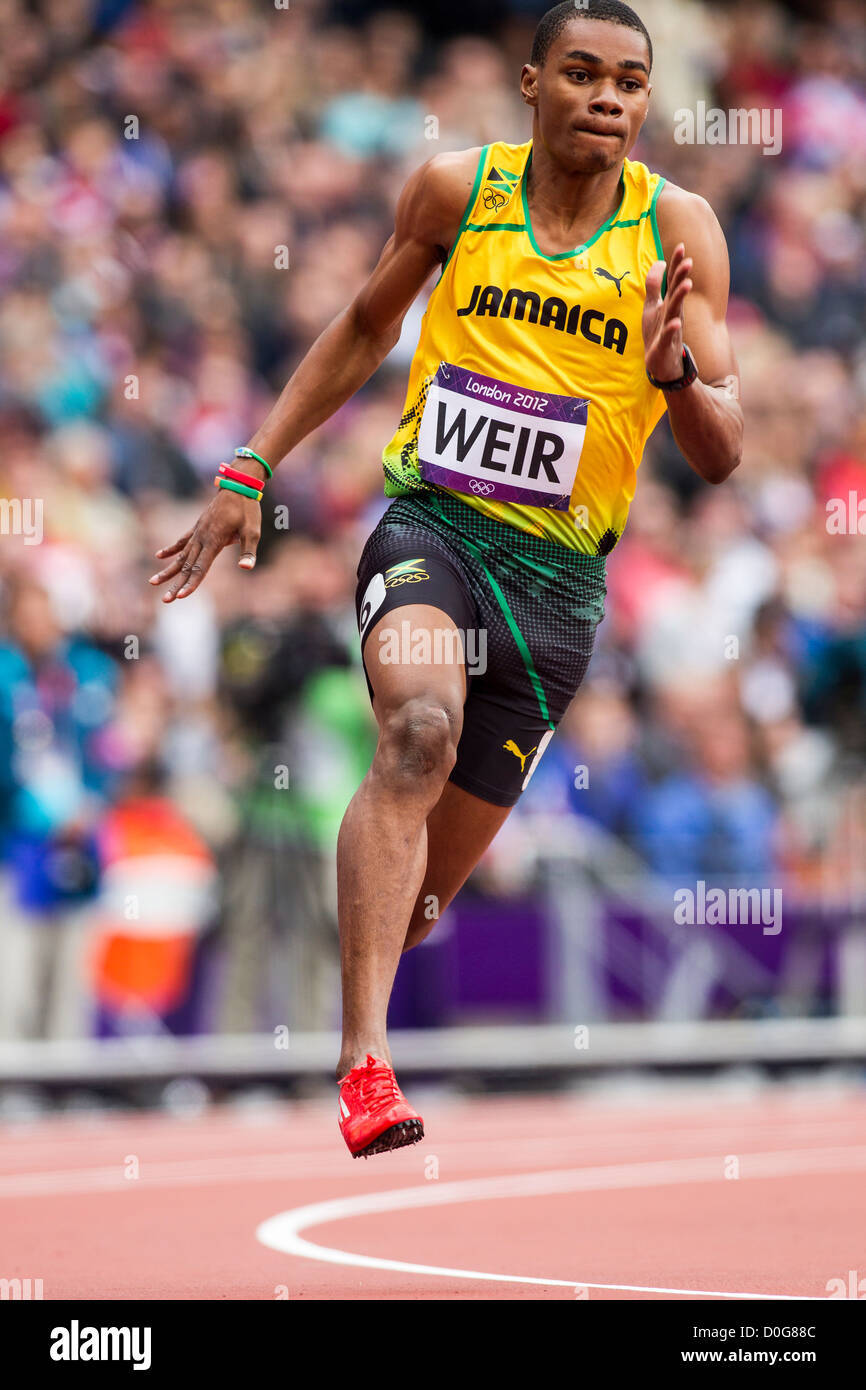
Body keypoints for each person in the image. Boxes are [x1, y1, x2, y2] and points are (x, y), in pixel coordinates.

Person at [150, 0, 743, 1158]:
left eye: (629, 81)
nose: (608, 99)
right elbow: (364, 327)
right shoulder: (454, 192)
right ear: (530, 84)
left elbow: (720, 455)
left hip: (558, 595)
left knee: (414, 909)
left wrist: (674, 374)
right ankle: (363, 1060)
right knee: (417, 728)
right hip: (434, 529)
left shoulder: (680, 230)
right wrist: (250, 463)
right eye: (580, 74)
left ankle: (369, 977)